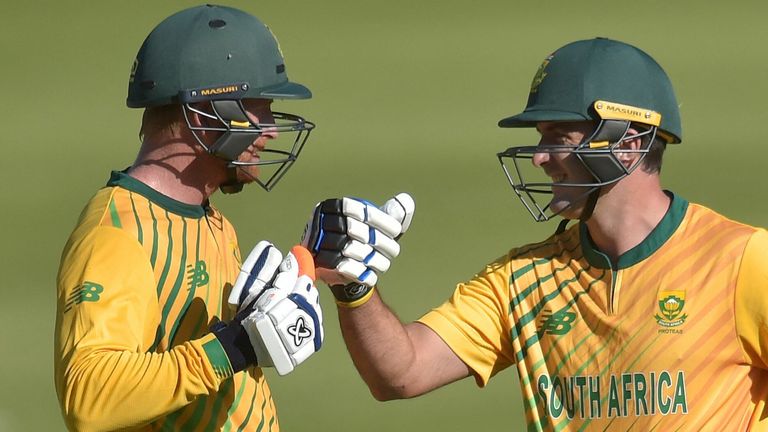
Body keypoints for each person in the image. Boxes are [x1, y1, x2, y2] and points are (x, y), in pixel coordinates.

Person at [301, 37, 768, 430]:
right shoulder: (523, 278)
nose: (540, 158)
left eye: (558, 138)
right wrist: (354, 288)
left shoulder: (742, 261)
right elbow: (400, 374)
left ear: (627, 145)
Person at [54, 5, 324, 431]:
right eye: (261, 108)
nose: (271, 129)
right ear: (205, 113)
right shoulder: (116, 236)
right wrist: (236, 346)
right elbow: (90, 396)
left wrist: (320, 263)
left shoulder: (212, 221)